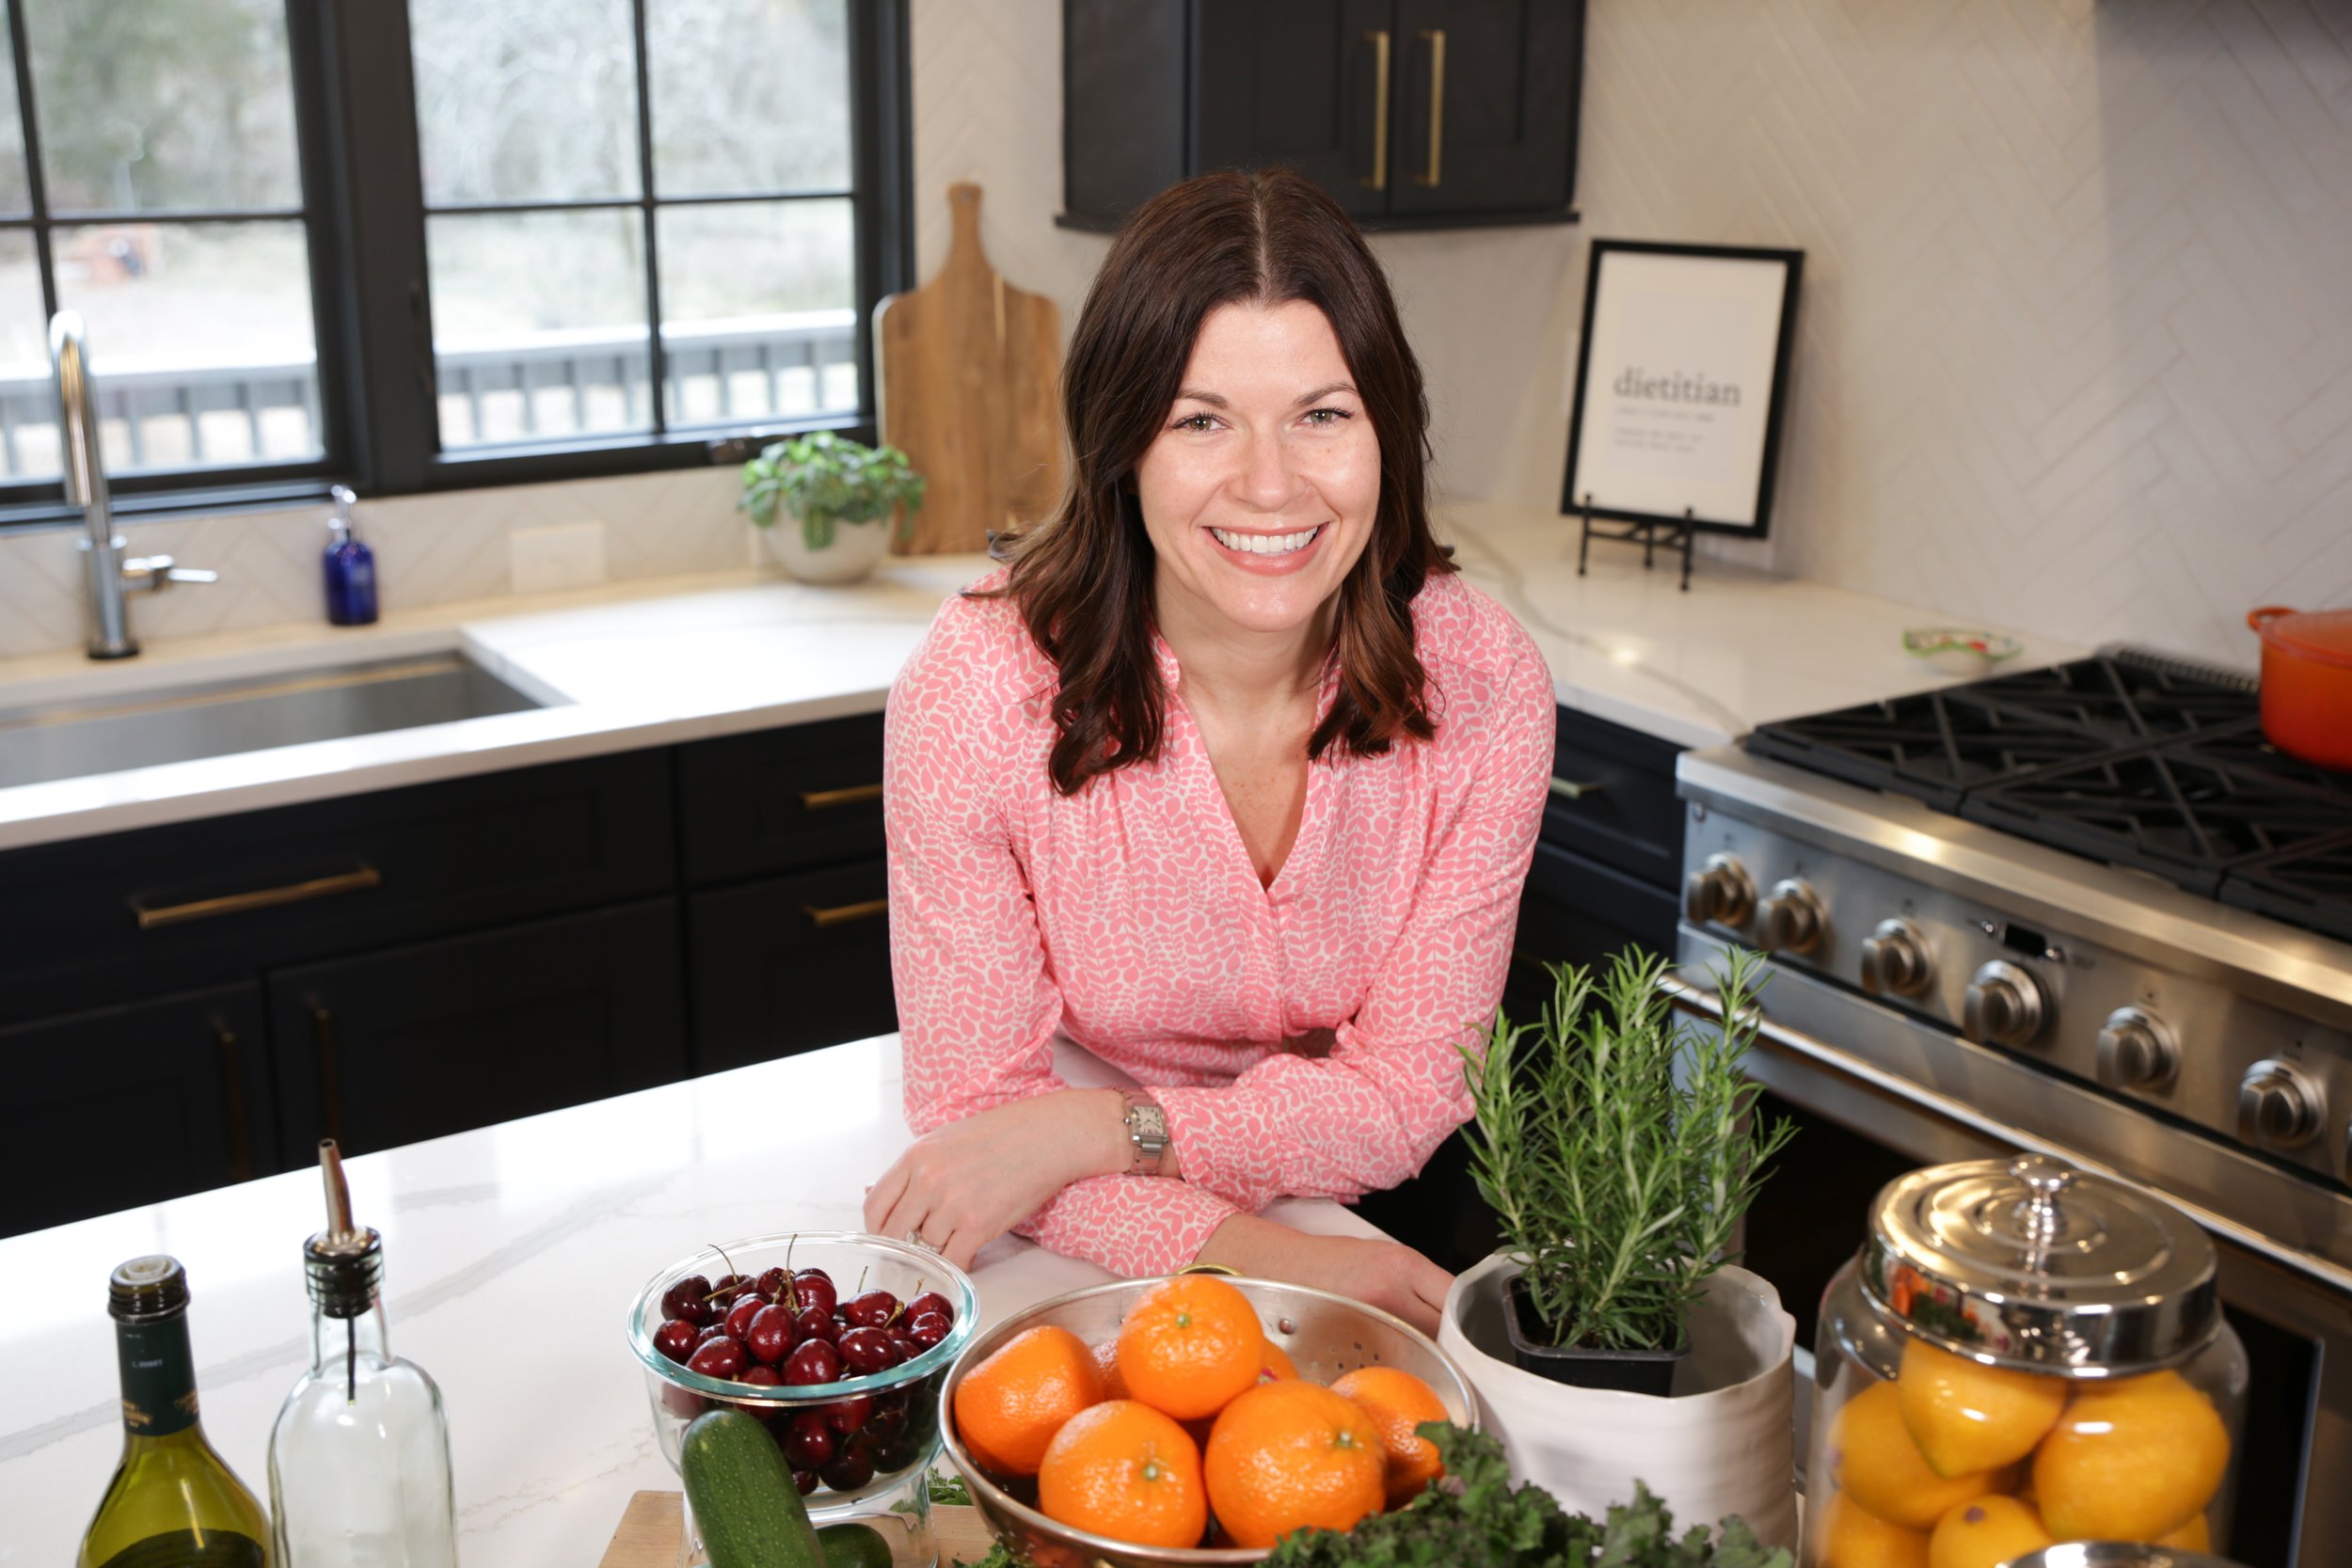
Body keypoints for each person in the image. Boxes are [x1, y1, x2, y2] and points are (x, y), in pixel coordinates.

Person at [862, 168, 1552, 1335]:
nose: (1271, 484)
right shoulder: (977, 688)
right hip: (1093, 1248)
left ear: (1388, 430)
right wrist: (1266, 1257)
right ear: (1121, 440)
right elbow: (982, 1113)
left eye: (1322, 415)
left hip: (1375, 1206)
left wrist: (1101, 1130)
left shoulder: (1485, 683)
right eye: (1200, 419)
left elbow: (1406, 1096)